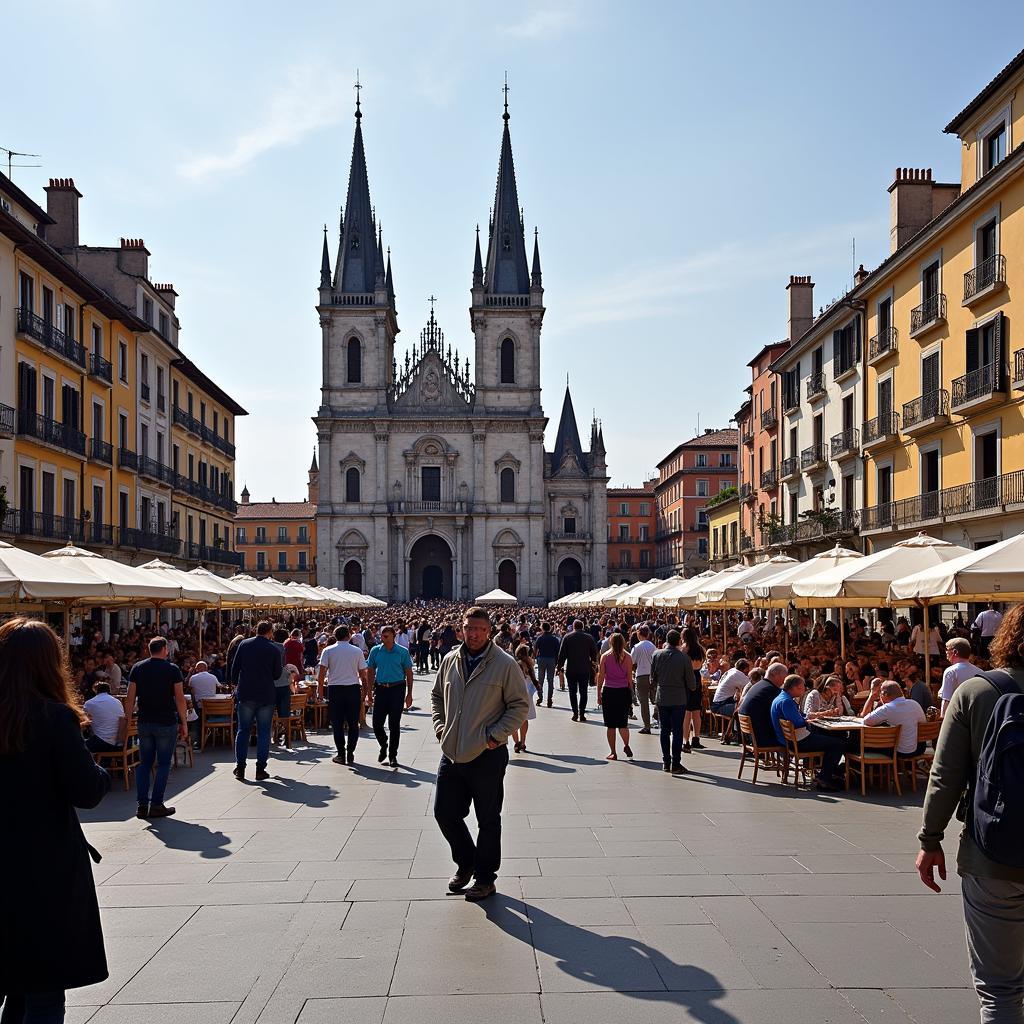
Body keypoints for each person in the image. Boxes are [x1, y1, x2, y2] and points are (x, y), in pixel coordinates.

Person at [0, 618, 111, 1023]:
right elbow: (87, 791)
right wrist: (97, 766)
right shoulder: (53, 718)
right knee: (43, 990)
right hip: (43, 867)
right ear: (50, 663)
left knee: (13, 985)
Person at [917, 604, 1024, 1023]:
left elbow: (944, 776)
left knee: (1000, 991)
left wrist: (930, 840)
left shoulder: (976, 692)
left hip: (991, 853)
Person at [431, 606, 529, 902]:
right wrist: (440, 727)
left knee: (488, 819)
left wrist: (495, 737)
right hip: (452, 751)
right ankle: (467, 861)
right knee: (444, 812)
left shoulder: (504, 663)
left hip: (487, 753)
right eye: (469, 628)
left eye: (479, 629)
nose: (473, 634)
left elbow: (519, 705)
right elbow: (437, 696)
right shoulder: (449, 660)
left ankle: (485, 878)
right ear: (461, 628)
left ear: (489, 632)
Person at [126, 636, 188, 818]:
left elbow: (130, 698)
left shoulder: (138, 668)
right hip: (166, 721)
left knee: (144, 764)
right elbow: (179, 698)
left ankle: (141, 804)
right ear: (165, 650)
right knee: (163, 764)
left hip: (144, 721)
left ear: (149, 649)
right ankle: (157, 803)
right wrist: (184, 722)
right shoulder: (172, 669)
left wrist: (128, 719)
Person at [770, 674, 845, 791]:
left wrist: (807, 718)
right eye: (802, 687)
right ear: (794, 688)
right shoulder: (787, 702)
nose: (804, 689)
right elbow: (798, 722)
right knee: (838, 743)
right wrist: (807, 721)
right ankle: (825, 778)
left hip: (790, 738)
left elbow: (798, 717)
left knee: (829, 739)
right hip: (798, 741)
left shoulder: (780, 698)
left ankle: (827, 772)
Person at [229, 620, 283, 782]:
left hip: (246, 693)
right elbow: (276, 674)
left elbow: (234, 667)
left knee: (243, 730)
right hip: (266, 694)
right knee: (264, 732)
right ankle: (260, 769)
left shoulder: (244, 645)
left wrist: (235, 684)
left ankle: (240, 767)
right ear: (270, 632)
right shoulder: (273, 649)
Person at [317, 625, 368, 765]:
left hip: (335, 690)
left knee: (337, 723)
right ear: (348, 636)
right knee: (353, 723)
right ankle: (350, 751)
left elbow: (321, 673)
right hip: (353, 689)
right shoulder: (357, 651)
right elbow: (363, 674)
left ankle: (341, 753)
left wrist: (320, 692)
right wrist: (366, 691)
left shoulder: (328, 650)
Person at [366, 626, 414, 767]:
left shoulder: (402, 652)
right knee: (376, 724)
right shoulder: (375, 650)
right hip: (381, 689)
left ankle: (393, 755)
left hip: (397, 689)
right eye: (382, 636)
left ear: (393, 636)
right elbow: (370, 671)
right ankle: (383, 743)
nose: (383, 639)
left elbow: (409, 673)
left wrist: (409, 694)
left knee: (394, 724)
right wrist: (369, 692)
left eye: (386, 636)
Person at [650, 629, 695, 775]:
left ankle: (666, 761)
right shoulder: (684, 658)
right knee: (677, 730)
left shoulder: (657, 654)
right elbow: (691, 684)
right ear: (679, 641)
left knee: (664, 730)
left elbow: (653, 678)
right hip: (678, 698)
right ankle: (676, 762)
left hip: (662, 697)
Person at [859, 679, 927, 757]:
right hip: (918, 749)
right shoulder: (915, 704)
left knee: (861, 743)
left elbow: (865, 721)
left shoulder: (887, 708)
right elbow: (923, 722)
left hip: (898, 752)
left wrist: (872, 696)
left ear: (885, 694)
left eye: (880, 694)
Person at [596, 632, 633, 760]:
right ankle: (626, 744)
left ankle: (613, 752)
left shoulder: (605, 656)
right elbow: (629, 677)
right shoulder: (628, 657)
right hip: (623, 690)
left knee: (610, 724)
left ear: (610, 642)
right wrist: (631, 693)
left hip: (609, 691)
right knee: (623, 723)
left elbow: (601, 676)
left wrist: (598, 693)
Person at [738, 661, 789, 749]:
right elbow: (782, 712)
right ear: (775, 674)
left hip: (750, 735)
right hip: (761, 737)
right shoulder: (771, 689)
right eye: (784, 677)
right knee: (792, 737)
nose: (784, 681)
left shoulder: (758, 685)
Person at [556, 619, 598, 723]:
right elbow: (594, 654)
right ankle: (582, 713)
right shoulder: (589, 638)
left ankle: (575, 713)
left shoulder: (567, 637)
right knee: (583, 692)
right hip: (584, 669)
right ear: (582, 627)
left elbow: (562, 655)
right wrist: (594, 665)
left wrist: (559, 667)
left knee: (572, 692)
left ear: (573, 627)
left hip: (571, 668)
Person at [710, 657, 749, 744]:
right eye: (748, 669)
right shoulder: (739, 675)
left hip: (718, 702)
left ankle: (729, 735)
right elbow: (750, 687)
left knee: (737, 708)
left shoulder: (732, 671)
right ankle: (741, 738)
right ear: (745, 668)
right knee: (741, 710)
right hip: (720, 705)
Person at [681, 627, 706, 752]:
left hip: (687, 678)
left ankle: (685, 740)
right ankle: (696, 738)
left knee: (686, 712)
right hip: (697, 676)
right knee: (696, 710)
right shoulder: (700, 649)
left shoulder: (684, 649)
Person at [84, 681, 125, 753]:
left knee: (76, 745)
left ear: (95, 690)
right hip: (118, 743)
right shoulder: (118, 702)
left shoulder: (90, 703)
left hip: (102, 742)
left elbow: (84, 720)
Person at [940, 637, 977, 717]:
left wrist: (943, 718)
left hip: (958, 717)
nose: (946, 652)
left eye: (947, 649)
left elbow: (946, 700)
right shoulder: (980, 672)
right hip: (975, 716)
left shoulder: (951, 671)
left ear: (955, 652)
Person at [630, 625, 657, 734]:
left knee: (644, 702)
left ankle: (647, 725)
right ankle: (657, 717)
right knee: (656, 699)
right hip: (652, 675)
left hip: (641, 674)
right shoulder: (653, 646)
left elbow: (632, 661)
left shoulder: (637, 646)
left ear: (639, 634)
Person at [512, 643, 538, 753]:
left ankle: (516, 742)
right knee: (524, 719)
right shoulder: (530, 663)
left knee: (512, 720)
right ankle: (523, 742)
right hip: (527, 694)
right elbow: (533, 679)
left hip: (516, 693)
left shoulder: (515, 663)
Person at [533, 622, 561, 708]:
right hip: (551, 659)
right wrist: (557, 662)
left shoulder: (539, 638)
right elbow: (558, 651)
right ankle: (549, 699)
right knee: (550, 680)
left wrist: (536, 657)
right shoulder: (554, 639)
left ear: (542, 628)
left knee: (540, 679)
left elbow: (535, 649)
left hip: (541, 659)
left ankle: (540, 697)